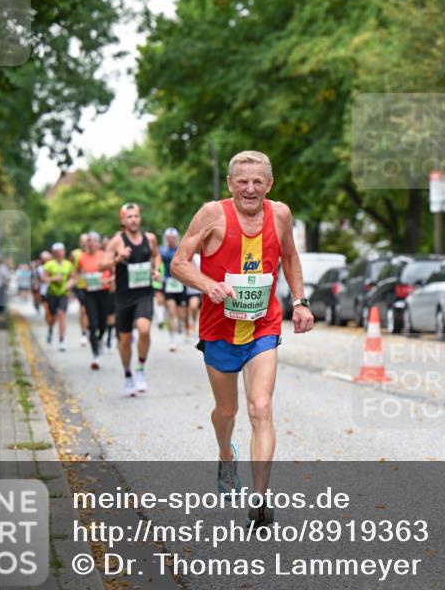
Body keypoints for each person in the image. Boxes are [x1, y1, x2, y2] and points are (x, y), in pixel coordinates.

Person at [172, 150, 314, 527]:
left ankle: (260, 498)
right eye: (242, 181)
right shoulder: (212, 214)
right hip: (219, 329)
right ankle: (225, 456)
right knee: (227, 412)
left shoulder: (280, 214)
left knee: (261, 407)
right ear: (231, 184)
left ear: (269, 183)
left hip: (264, 326)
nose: (250, 189)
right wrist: (207, 285)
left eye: (258, 182)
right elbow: (179, 262)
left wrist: (300, 302)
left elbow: (290, 257)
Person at [101, 203, 162, 397]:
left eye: (136, 216)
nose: (133, 220)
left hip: (144, 292)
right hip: (123, 296)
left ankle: (140, 369)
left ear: (140, 218)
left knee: (144, 328)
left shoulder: (149, 238)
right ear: (123, 220)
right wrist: (118, 258)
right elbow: (101, 264)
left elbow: (156, 255)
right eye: (129, 217)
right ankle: (128, 374)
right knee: (125, 340)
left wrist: (156, 270)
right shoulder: (117, 241)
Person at [69, 232, 113, 370]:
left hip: (104, 292)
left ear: (99, 243)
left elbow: (114, 272)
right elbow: (76, 274)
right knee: (92, 324)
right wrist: (70, 284)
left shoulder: (105, 255)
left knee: (103, 322)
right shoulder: (82, 258)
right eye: (89, 241)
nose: (91, 243)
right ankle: (96, 355)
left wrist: (110, 280)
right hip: (90, 293)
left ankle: (100, 340)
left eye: (94, 241)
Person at [159, 227, 188, 351]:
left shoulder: (182, 250)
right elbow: (158, 265)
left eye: (173, 238)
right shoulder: (162, 251)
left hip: (180, 284)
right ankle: (173, 340)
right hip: (169, 284)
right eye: (168, 238)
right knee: (171, 312)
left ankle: (181, 326)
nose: (171, 240)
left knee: (181, 314)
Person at [43, 243, 74, 350]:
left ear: (64, 252)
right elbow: (43, 278)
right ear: (54, 253)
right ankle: (51, 329)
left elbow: (72, 278)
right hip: (52, 294)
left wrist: (69, 285)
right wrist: (53, 279)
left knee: (61, 314)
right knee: (52, 317)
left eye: (61, 251)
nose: (59, 254)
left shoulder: (68, 265)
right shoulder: (49, 265)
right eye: (57, 252)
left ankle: (62, 340)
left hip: (63, 294)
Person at [71, 233, 90, 347]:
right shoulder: (75, 254)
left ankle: (91, 329)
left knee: (91, 310)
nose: (84, 243)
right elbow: (71, 268)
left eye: (86, 241)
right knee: (83, 309)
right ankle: (83, 333)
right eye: (82, 241)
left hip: (93, 285)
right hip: (80, 285)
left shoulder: (95, 253)